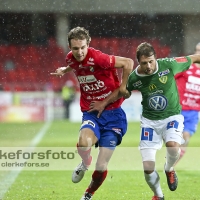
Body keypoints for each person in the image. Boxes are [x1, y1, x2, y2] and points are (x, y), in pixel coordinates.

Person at [89, 42, 200, 200]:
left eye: (151, 61)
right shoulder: (134, 77)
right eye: (144, 63)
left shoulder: (169, 65)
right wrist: (103, 103)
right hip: (150, 122)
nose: (148, 66)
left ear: (156, 58)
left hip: (172, 116)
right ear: (138, 62)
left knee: (173, 147)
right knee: (148, 167)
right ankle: (158, 195)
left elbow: (195, 58)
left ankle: (169, 169)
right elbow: (121, 91)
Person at [50, 26, 133, 200]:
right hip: (92, 112)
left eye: (82, 48)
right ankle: (85, 161)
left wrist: (123, 87)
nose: (79, 52)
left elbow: (128, 63)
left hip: (114, 116)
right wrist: (64, 70)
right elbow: (74, 64)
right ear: (70, 48)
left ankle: (88, 193)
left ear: (88, 44)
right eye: (75, 48)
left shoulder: (99, 58)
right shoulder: (70, 59)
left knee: (101, 165)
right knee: (83, 142)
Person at [175, 42, 200, 161]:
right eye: (197, 50)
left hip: (194, 112)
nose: (197, 53)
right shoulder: (186, 66)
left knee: (186, 137)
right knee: (174, 139)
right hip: (178, 109)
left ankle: (171, 167)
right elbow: (169, 77)